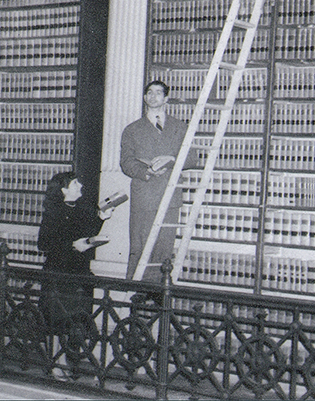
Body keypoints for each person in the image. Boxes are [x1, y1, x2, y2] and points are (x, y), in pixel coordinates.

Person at [37, 171, 114, 379]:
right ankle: (56, 363)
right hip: (59, 271)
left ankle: (63, 360)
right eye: (75, 183)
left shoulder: (80, 209)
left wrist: (101, 219)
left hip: (78, 270)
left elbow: (87, 231)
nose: (80, 186)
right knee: (56, 319)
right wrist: (72, 245)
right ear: (64, 190)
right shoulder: (53, 212)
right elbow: (43, 244)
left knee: (71, 319)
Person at [120, 80, 198, 283]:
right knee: (141, 246)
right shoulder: (132, 130)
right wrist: (146, 172)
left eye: (158, 93)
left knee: (164, 247)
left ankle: (159, 292)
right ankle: (138, 291)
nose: (153, 97)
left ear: (166, 98)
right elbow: (126, 163)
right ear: (145, 98)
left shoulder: (180, 127)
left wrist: (172, 160)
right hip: (144, 196)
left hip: (170, 196)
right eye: (149, 93)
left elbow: (192, 158)